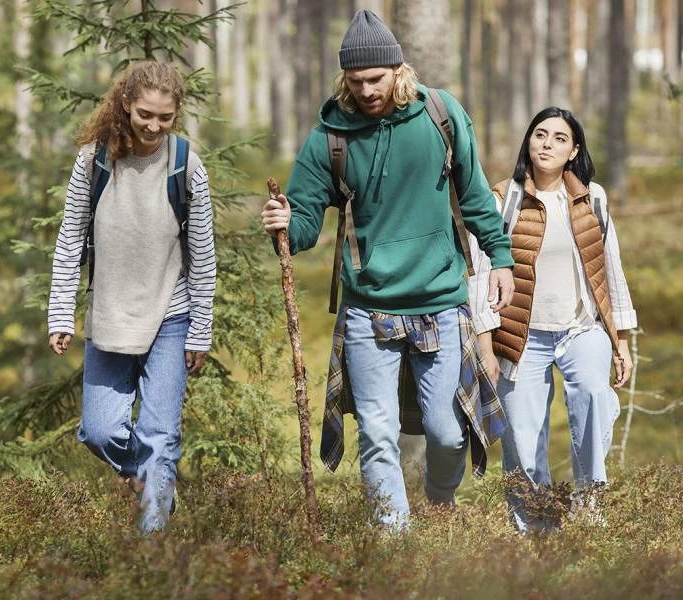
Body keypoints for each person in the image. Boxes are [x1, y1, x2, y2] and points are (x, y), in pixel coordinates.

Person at [261, 9, 515, 528]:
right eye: (356, 82)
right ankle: (394, 545)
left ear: (400, 70)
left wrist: (502, 258)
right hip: (368, 310)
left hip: (440, 302)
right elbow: (306, 223)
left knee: (446, 431)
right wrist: (286, 223)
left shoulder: (441, 116)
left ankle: (439, 506)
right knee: (377, 433)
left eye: (376, 79)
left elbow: (473, 196)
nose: (367, 90)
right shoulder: (330, 136)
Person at [47, 60, 216, 533]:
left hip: (172, 315)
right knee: (100, 430)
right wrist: (61, 313)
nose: (154, 126)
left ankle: (153, 549)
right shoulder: (95, 160)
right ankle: (150, 478)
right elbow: (70, 240)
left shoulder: (186, 164)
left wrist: (199, 330)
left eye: (165, 117)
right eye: (145, 114)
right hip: (110, 314)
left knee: (160, 435)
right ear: (126, 104)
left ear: (176, 113)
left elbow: (202, 256)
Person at [469, 106, 637, 532]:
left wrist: (620, 340)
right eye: (540, 135)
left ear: (573, 150)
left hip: (583, 329)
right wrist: (485, 346)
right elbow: (480, 275)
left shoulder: (591, 198)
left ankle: (589, 509)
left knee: (595, 400)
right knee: (523, 440)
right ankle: (537, 532)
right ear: (528, 141)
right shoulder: (500, 199)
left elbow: (609, 268)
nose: (547, 144)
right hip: (520, 336)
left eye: (559, 138)